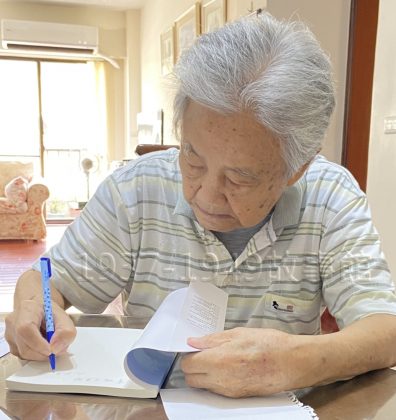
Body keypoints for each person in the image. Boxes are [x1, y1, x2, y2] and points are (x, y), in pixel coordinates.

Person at [5, 12, 396, 398]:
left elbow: (385, 328)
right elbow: (45, 283)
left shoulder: (330, 196)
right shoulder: (136, 188)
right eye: (192, 156)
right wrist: (33, 306)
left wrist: (299, 360)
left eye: (239, 177)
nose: (205, 197)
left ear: (297, 169)